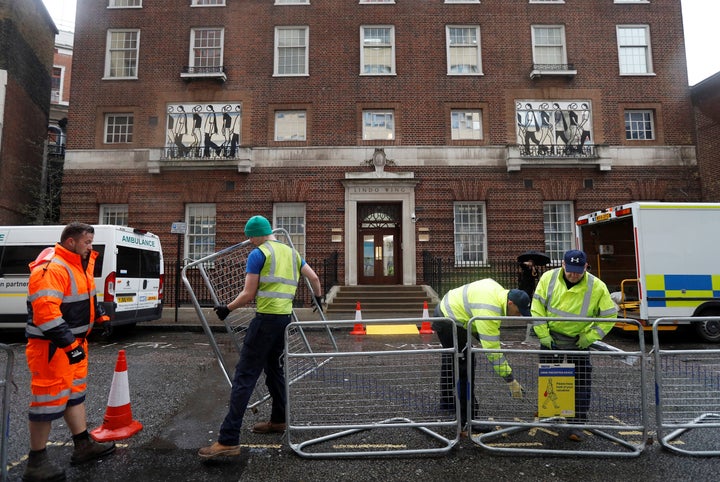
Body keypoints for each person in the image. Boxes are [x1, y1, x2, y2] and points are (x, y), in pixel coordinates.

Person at [198, 215, 323, 459]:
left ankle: (228, 440)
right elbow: (315, 278)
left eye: (250, 237)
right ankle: (278, 420)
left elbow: (248, 293)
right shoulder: (291, 252)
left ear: (255, 234)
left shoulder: (259, 254)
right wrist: (317, 298)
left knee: (245, 376)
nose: (250, 242)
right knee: (275, 371)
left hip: (265, 320)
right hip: (284, 321)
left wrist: (227, 309)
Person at [24, 222, 116, 481]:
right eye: (87, 242)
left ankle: (82, 444)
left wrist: (99, 319)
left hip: (71, 345)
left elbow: (84, 299)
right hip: (53, 348)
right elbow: (46, 314)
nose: (91, 247)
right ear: (71, 241)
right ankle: (36, 462)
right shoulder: (53, 267)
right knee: (47, 401)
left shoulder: (78, 264)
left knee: (74, 395)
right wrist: (69, 345)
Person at [531, 249, 617, 442]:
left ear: (586, 267)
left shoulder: (597, 286)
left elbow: (609, 315)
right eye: (570, 270)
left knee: (581, 382)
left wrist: (590, 336)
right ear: (562, 264)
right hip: (551, 338)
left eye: (578, 271)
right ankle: (551, 412)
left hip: (578, 341)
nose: (574, 274)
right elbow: (537, 307)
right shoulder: (548, 278)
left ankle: (577, 423)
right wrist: (543, 334)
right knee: (551, 379)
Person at [432, 278, 531, 434]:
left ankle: (448, 402)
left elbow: (479, 329)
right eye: (518, 312)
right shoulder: (490, 309)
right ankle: (467, 422)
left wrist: (483, 336)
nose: (518, 316)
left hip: (447, 312)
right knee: (466, 368)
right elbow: (492, 351)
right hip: (449, 321)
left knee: (453, 360)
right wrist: (510, 379)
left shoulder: (497, 291)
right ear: (510, 303)